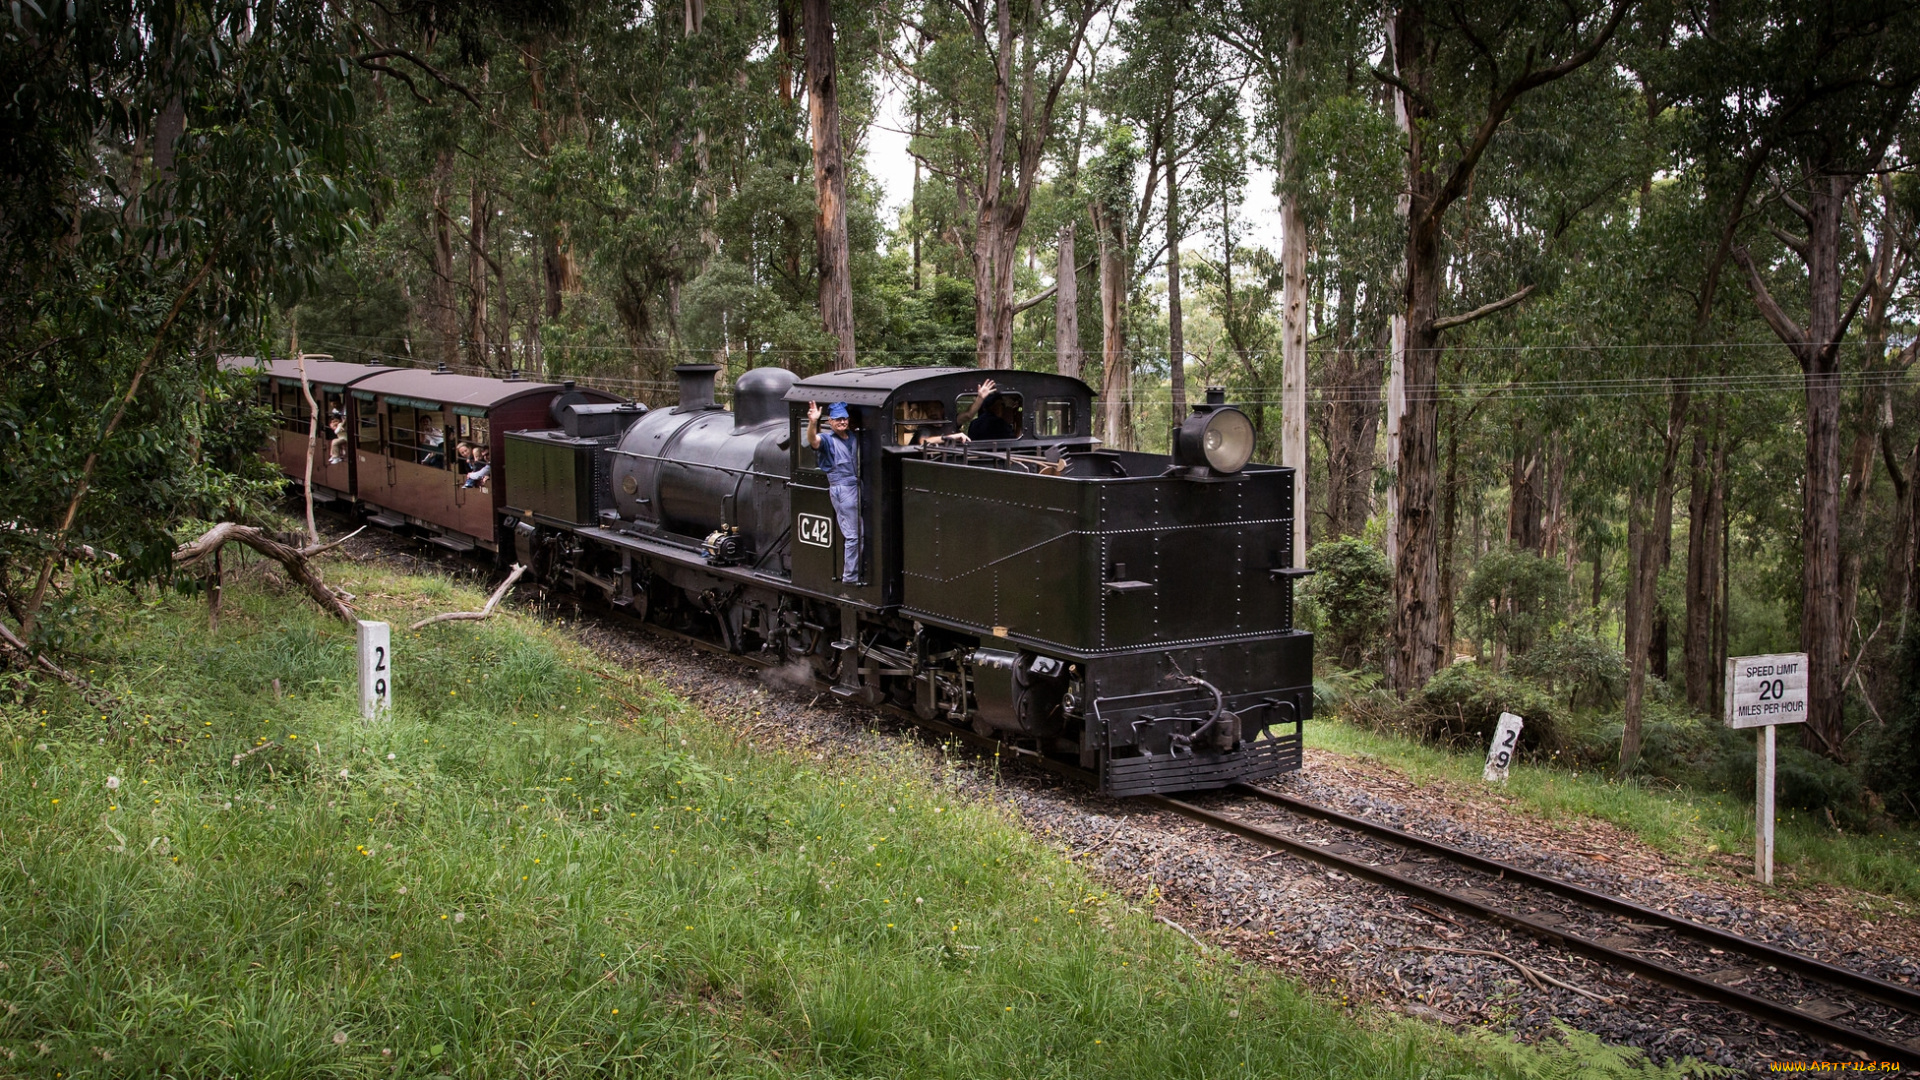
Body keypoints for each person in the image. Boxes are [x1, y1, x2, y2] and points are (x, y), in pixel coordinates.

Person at [807, 400, 862, 583]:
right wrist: (813, 422)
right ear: (830, 421)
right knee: (853, 535)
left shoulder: (853, 438)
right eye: (838, 419)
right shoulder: (827, 440)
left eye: (844, 419)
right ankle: (850, 577)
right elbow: (813, 441)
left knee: (860, 532)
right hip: (842, 489)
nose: (842, 422)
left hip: (857, 486)